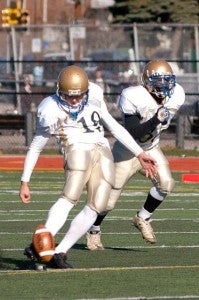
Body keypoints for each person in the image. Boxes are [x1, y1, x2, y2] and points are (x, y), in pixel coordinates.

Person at [19, 65, 157, 269]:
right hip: (76, 150)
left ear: (86, 91)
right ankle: (41, 241)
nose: (74, 100)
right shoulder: (50, 108)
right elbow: (37, 145)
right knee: (70, 197)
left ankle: (60, 252)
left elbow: (115, 127)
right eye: (69, 96)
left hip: (101, 150)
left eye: (78, 95)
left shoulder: (93, 98)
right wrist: (25, 181)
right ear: (60, 91)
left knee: (97, 206)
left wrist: (140, 153)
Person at [86, 59, 185, 250]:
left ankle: (143, 217)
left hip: (151, 148)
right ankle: (94, 229)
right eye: (159, 81)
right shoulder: (133, 96)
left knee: (166, 184)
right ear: (147, 81)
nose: (163, 85)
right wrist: (156, 119)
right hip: (128, 149)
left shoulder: (176, 94)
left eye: (167, 80)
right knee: (108, 202)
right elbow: (132, 132)